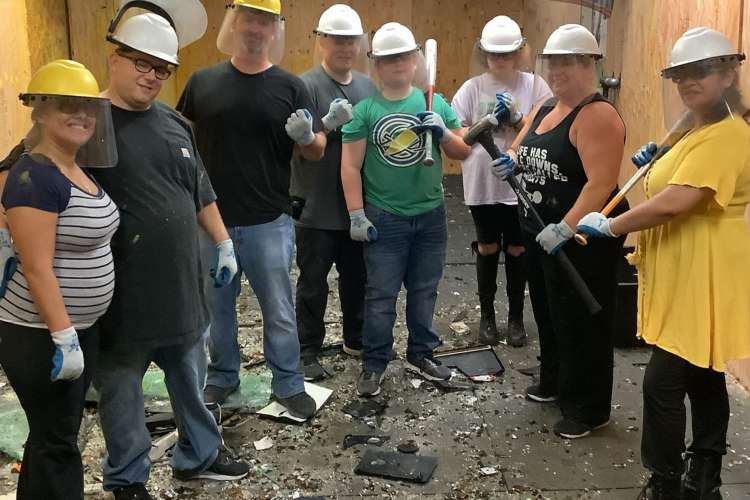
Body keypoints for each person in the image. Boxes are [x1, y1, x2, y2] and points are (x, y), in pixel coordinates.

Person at [577, 27, 750, 499]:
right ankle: (706, 480)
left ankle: (666, 483)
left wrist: (614, 226)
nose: (689, 83)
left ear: (728, 73)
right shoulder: (698, 128)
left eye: (701, 72)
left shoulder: (730, 134)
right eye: (680, 75)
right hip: (686, 267)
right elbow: (672, 179)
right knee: (704, 374)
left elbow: (678, 201)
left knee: (662, 384)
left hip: (704, 271)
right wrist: (659, 157)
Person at [91, 2, 248, 498]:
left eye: (161, 68)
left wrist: (223, 243)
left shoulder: (175, 125)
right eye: (142, 62)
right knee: (121, 395)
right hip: (118, 299)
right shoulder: (83, 122)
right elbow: (18, 172)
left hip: (182, 287)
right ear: (115, 58)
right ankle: (128, 477)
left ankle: (198, 454)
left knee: (190, 380)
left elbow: (200, 191)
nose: (152, 76)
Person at [177, 0, 326, 417]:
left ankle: (289, 383)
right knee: (216, 308)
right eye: (248, 18)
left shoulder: (291, 87)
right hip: (211, 221)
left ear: (274, 29)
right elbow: (181, 142)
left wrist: (309, 137)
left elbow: (315, 151)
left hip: (269, 221)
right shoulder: (202, 82)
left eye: (264, 20)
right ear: (234, 22)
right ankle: (223, 377)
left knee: (278, 309)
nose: (255, 28)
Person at [491, 24, 626, 439]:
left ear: (589, 64)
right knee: (549, 313)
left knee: (581, 321)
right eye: (552, 62)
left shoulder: (598, 115)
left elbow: (600, 185)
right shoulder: (548, 107)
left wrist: (566, 228)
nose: (557, 71)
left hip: (582, 239)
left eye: (567, 62)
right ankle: (554, 382)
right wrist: (511, 158)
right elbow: (522, 142)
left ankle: (588, 408)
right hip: (537, 229)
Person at [0, 59, 120, 500]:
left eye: (88, 107)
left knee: (49, 436)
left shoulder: (73, 168)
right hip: (39, 336)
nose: (82, 116)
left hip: (73, 330)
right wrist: (64, 336)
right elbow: (36, 266)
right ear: (40, 111)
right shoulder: (34, 176)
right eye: (67, 105)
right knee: (59, 443)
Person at [341, 22, 471, 397]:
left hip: (431, 216)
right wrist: (356, 214)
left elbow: (463, 151)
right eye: (388, 59)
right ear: (377, 66)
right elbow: (350, 166)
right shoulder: (365, 111)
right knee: (380, 296)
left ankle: (421, 353)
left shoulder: (435, 103)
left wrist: (444, 134)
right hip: (385, 218)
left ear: (415, 61)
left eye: (403, 57)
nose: (397, 64)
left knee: (424, 291)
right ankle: (374, 363)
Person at [451, 15, 552, 347]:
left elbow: (548, 127)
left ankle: (516, 319)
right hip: (482, 182)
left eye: (506, 54)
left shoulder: (534, 85)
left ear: (519, 53)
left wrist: (519, 119)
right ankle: (488, 318)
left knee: (518, 248)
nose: (500, 60)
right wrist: (482, 125)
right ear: (484, 54)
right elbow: (457, 132)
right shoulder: (472, 88)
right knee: (488, 246)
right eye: (494, 54)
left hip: (522, 184)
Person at [290, 4, 376, 381]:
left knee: (357, 277)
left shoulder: (367, 87)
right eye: (337, 39)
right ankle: (307, 348)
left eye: (351, 40)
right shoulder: (304, 86)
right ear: (322, 41)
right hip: (315, 205)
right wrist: (322, 126)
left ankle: (355, 337)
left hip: (354, 207)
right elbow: (294, 146)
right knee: (313, 281)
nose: (345, 47)